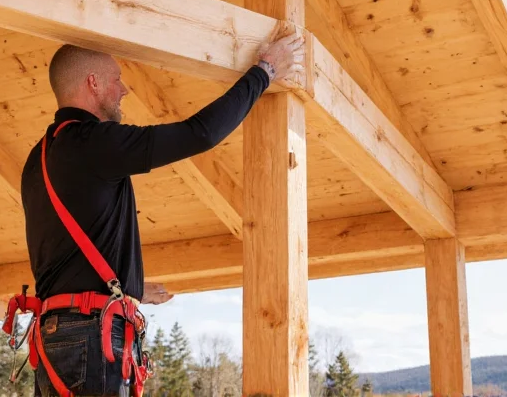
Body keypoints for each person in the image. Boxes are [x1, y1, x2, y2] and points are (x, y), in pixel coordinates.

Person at [20, 32, 305, 396]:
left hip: (54, 339)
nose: (123, 89)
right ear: (92, 83)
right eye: (115, 79)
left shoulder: (39, 158)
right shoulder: (94, 142)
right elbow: (199, 134)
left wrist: (133, 288)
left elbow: (67, 253)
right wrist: (265, 71)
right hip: (90, 340)